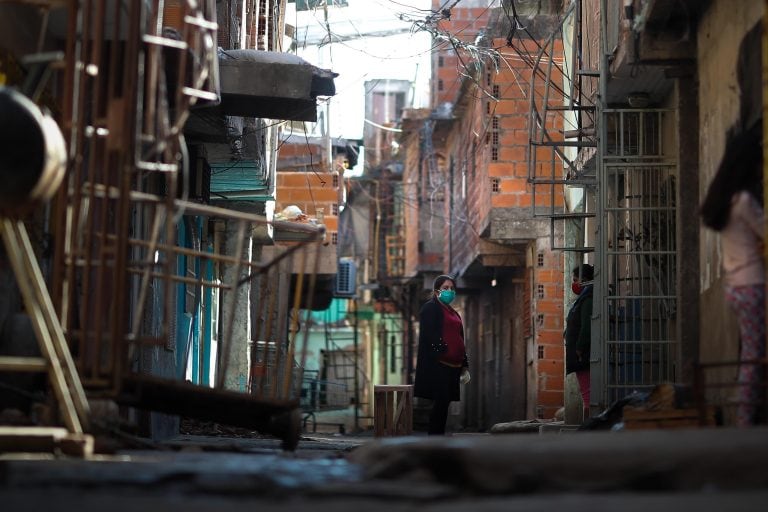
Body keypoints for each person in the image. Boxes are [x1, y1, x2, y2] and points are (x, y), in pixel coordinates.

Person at [700, 123, 764, 427]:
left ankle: (746, 414)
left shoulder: (724, 204)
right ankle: (744, 418)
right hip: (753, 284)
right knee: (753, 355)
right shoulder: (744, 203)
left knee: (751, 351)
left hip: (735, 287)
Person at [414, 275, 470, 435]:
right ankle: (434, 438)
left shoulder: (453, 312)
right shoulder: (430, 308)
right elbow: (429, 335)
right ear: (436, 290)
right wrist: (443, 351)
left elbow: (460, 338)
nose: (449, 291)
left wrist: (464, 364)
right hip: (439, 365)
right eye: (445, 288)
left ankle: (438, 437)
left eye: (452, 288)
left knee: (445, 403)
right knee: (439, 403)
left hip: (454, 366)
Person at [565, 263, 594, 418]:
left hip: (582, 353)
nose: (574, 284)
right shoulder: (583, 299)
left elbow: (586, 327)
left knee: (587, 393)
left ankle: (588, 426)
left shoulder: (587, 300)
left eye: (576, 280)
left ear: (584, 280)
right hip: (579, 351)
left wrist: (579, 347)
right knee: (586, 391)